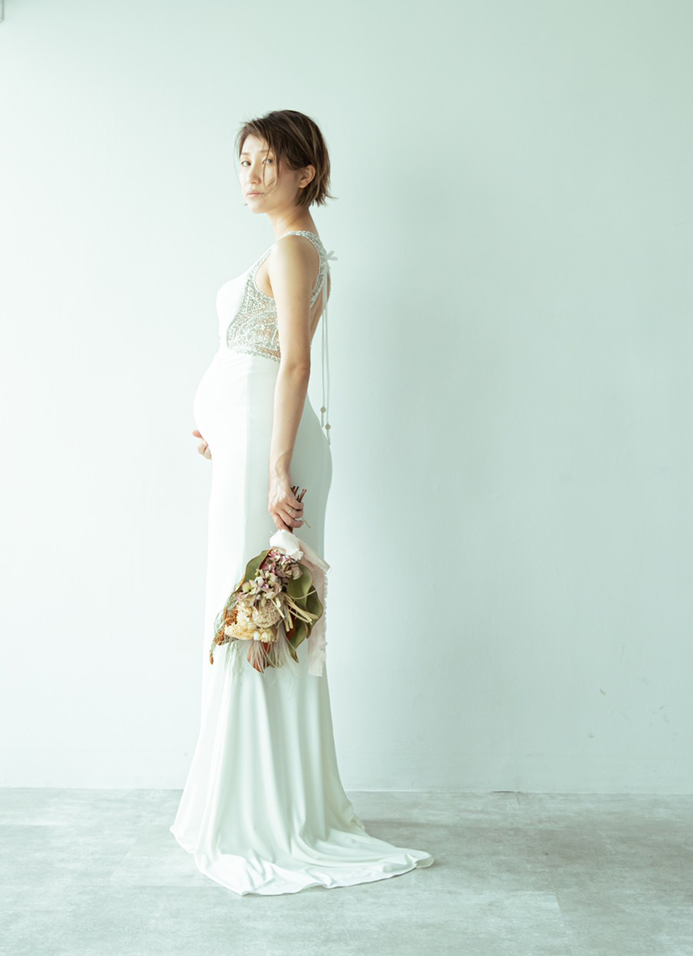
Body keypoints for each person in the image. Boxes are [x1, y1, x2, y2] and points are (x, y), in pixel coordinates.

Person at [170, 109, 434, 895]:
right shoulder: (291, 247)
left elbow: (292, 365)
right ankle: (257, 800)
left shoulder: (292, 249)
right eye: (243, 161)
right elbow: (252, 361)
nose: (250, 175)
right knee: (250, 616)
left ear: (305, 172)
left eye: (266, 162)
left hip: (269, 454)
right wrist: (227, 429)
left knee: (257, 618)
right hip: (252, 444)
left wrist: (275, 466)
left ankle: (260, 814)